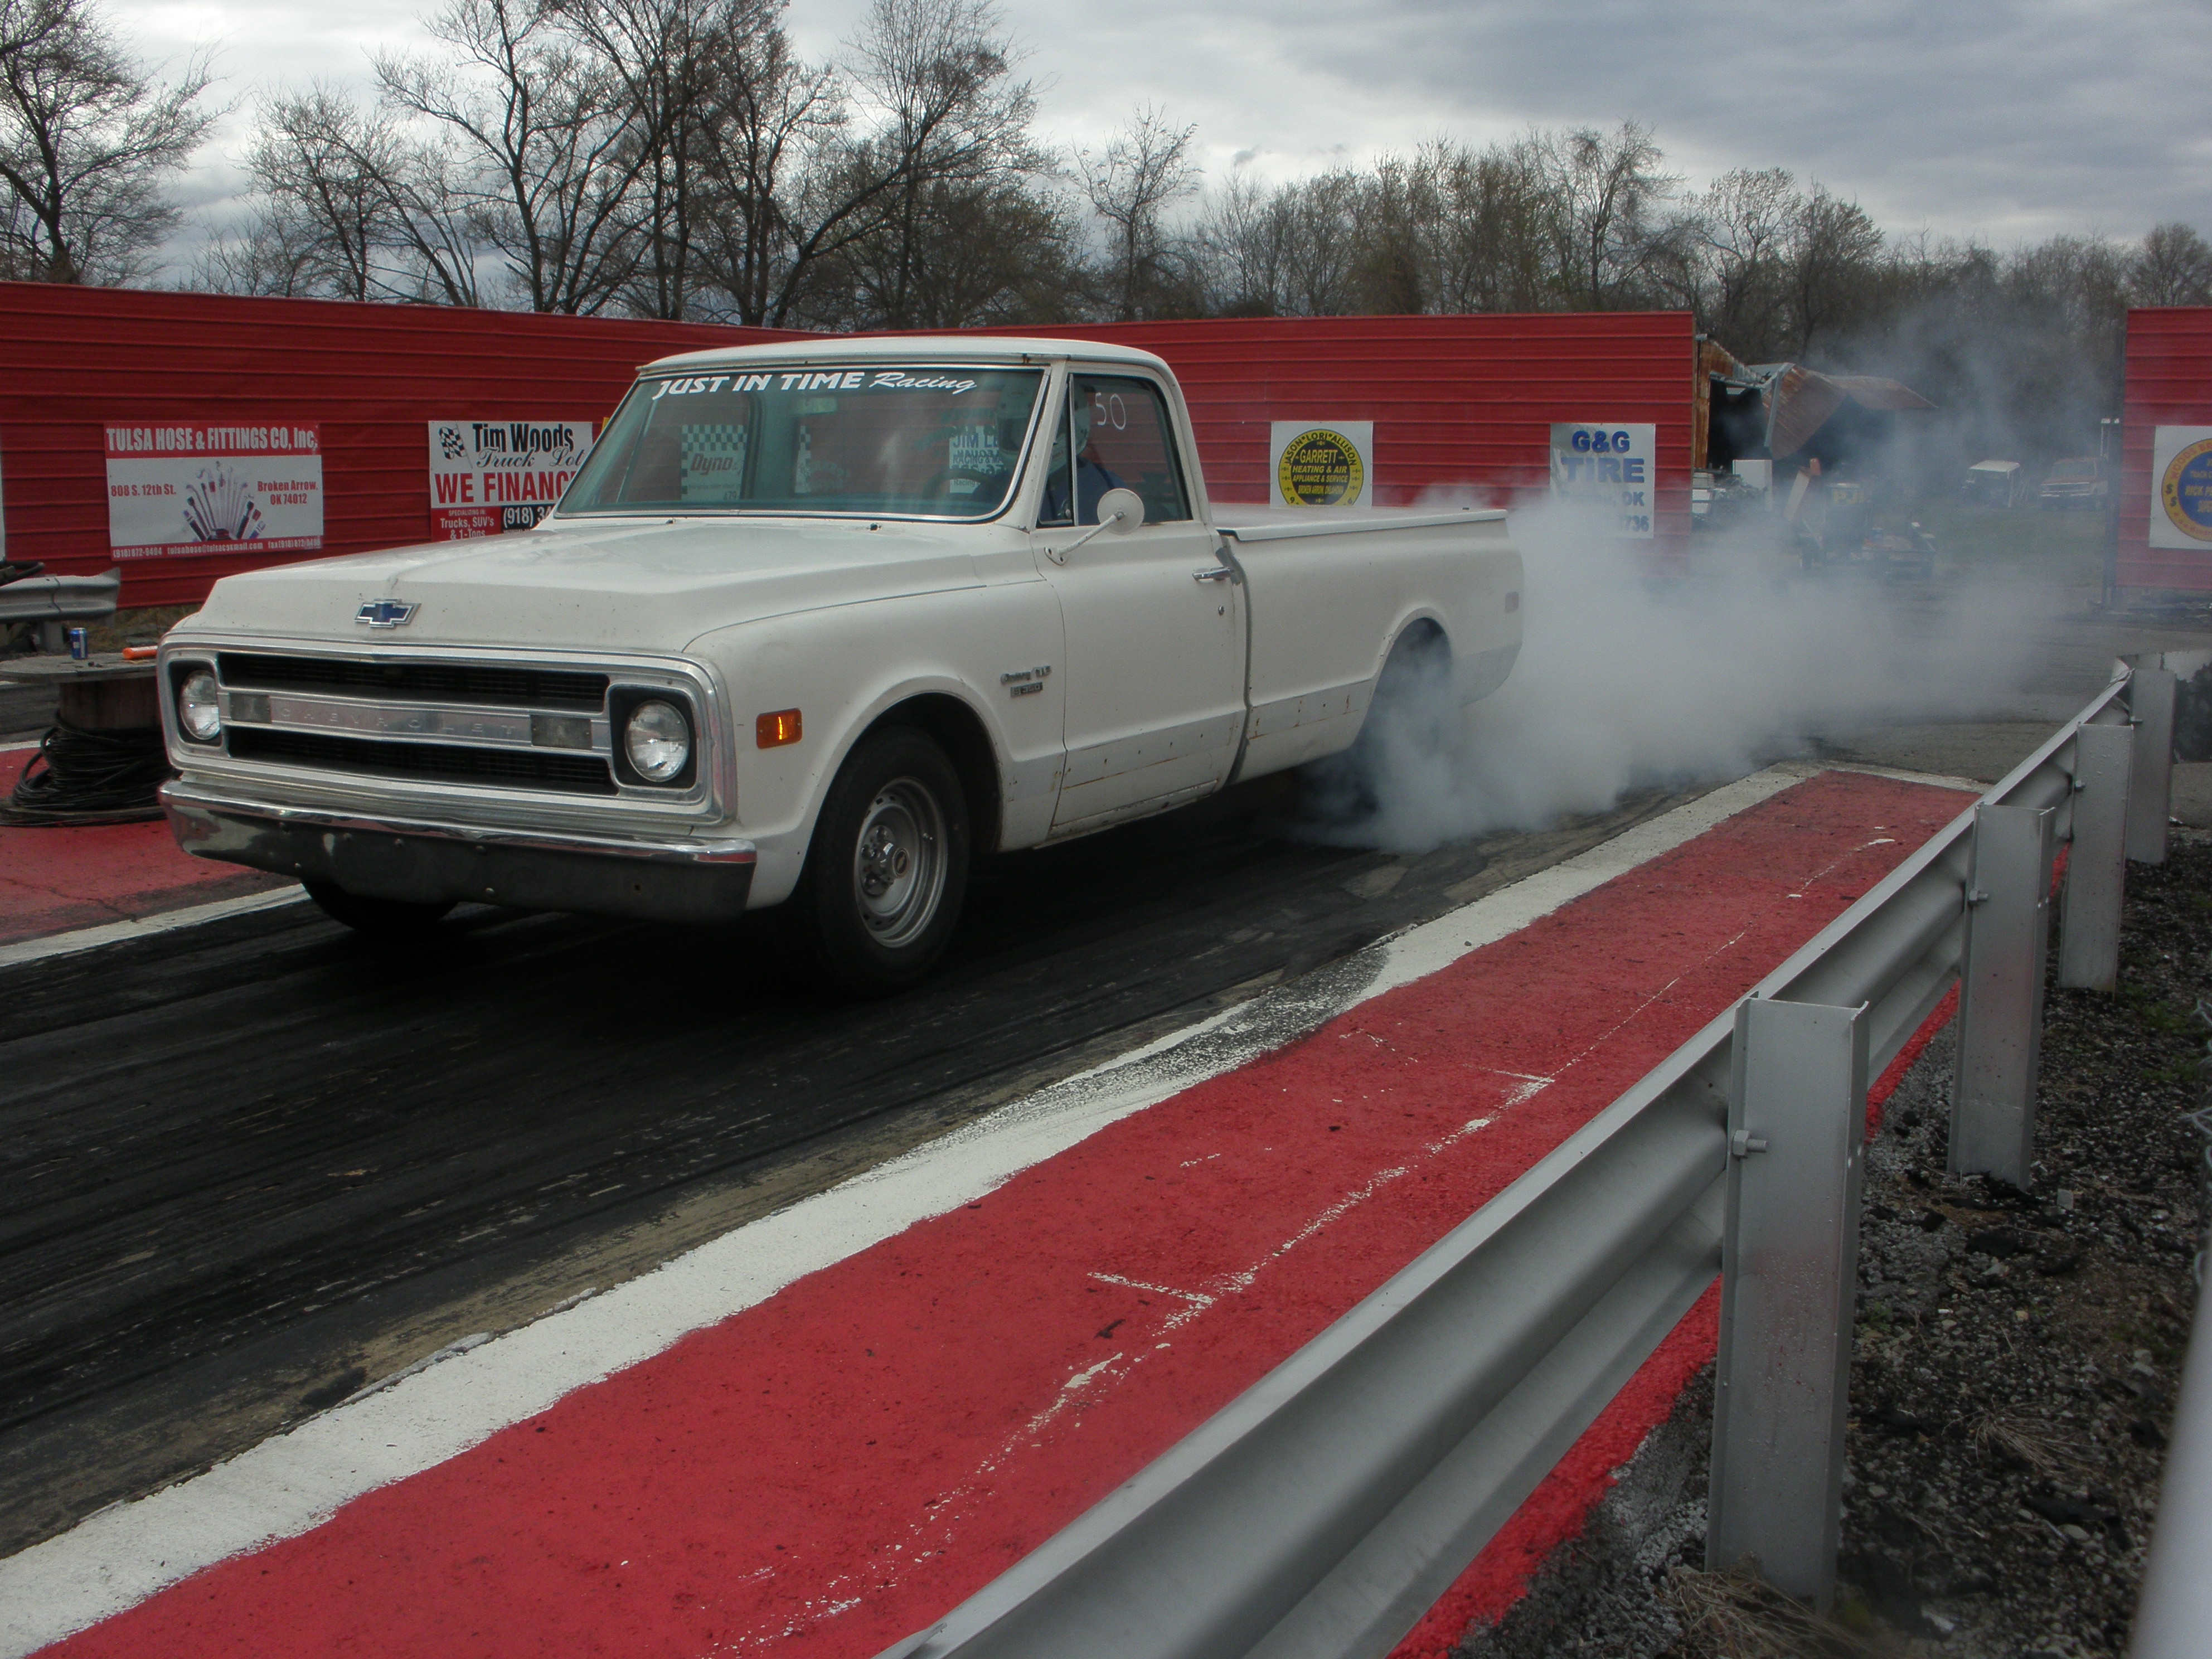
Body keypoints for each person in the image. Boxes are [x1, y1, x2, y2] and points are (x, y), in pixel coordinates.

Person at [1040, 393, 1124, 525]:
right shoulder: (1006, 485)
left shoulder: (1104, 488)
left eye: (1051, 430)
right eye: (1016, 428)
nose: (1025, 439)